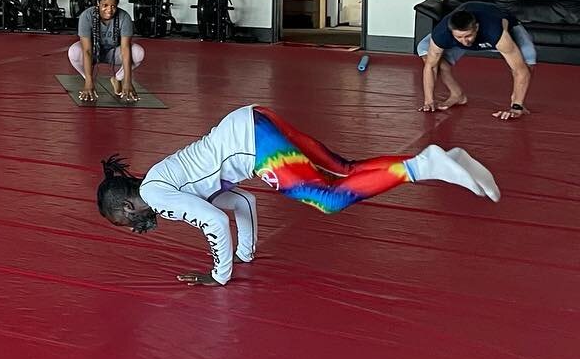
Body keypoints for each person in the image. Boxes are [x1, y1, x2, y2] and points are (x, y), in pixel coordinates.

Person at [96, 105, 500, 286]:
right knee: (342, 169)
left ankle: (426, 166)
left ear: (128, 206)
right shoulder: (163, 181)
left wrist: (218, 276)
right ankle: (440, 158)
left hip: (253, 142)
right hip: (254, 119)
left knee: (329, 198)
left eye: (124, 221)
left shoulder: (159, 196)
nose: (133, 227)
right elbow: (240, 203)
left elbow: (216, 222)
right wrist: (246, 253)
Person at [416, 1, 536, 121]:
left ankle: (518, 101)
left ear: (477, 28)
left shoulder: (495, 32)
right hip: (465, 33)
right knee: (424, 50)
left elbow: (520, 70)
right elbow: (431, 67)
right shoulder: (442, 33)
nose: (464, 41)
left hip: (500, 32)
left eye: (468, 36)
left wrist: (516, 107)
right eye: (459, 37)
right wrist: (429, 101)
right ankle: (457, 95)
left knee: (528, 57)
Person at [67, 0, 145, 103]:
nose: (109, 10)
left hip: (114, 53)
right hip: (93, 52)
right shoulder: (86, 16)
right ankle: (89, 78)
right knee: (74, 51)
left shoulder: (124, 18)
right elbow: (87, 51)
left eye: (113, 6)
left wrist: (127, 82)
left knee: (139, 53)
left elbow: (125, 50)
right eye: (105, 5)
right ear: (98, 3)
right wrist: (88, 82)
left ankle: (117, 78)